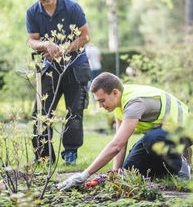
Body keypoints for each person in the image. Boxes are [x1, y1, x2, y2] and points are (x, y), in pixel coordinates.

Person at [57, 72, 192, 190]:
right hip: (163, 133)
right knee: (129, 172)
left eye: (102, 100)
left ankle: (181, 163)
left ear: (115, 92)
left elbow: (115, 146)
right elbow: (121, 141)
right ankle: (168, 170)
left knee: (151, 140)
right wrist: (117, 171)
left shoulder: (134, 103)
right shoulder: (119, 102)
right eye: (98, 101)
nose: (100, 106)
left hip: (185, 129)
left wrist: (84, 175)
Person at [26, 0, 92, 165]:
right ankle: (44, 156)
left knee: (74, 112)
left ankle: (70, 153)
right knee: (41, 112)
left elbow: (86, 37)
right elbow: (32, 40)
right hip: (49, 69)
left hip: (76, 67)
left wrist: (63, 49)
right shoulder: (32, 12)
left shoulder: (72, 7)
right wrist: (46, 45)